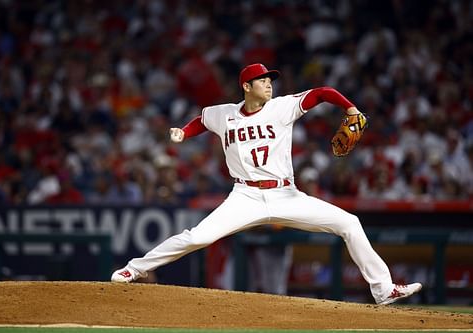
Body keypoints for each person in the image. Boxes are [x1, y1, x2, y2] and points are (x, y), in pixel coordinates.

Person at [111, 63, 422, 305]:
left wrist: (350, 108)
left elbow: (323, 92)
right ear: (246, 86)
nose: (268, 84)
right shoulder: (225, 114)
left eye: (270, 80)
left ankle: (383, 289)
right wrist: (183, 132)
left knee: (349, 223)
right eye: (262, 80)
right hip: (244, 196)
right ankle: (134, 268)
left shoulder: (282, 107)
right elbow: (202, 121)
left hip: (286, 194)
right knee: (197, 238)